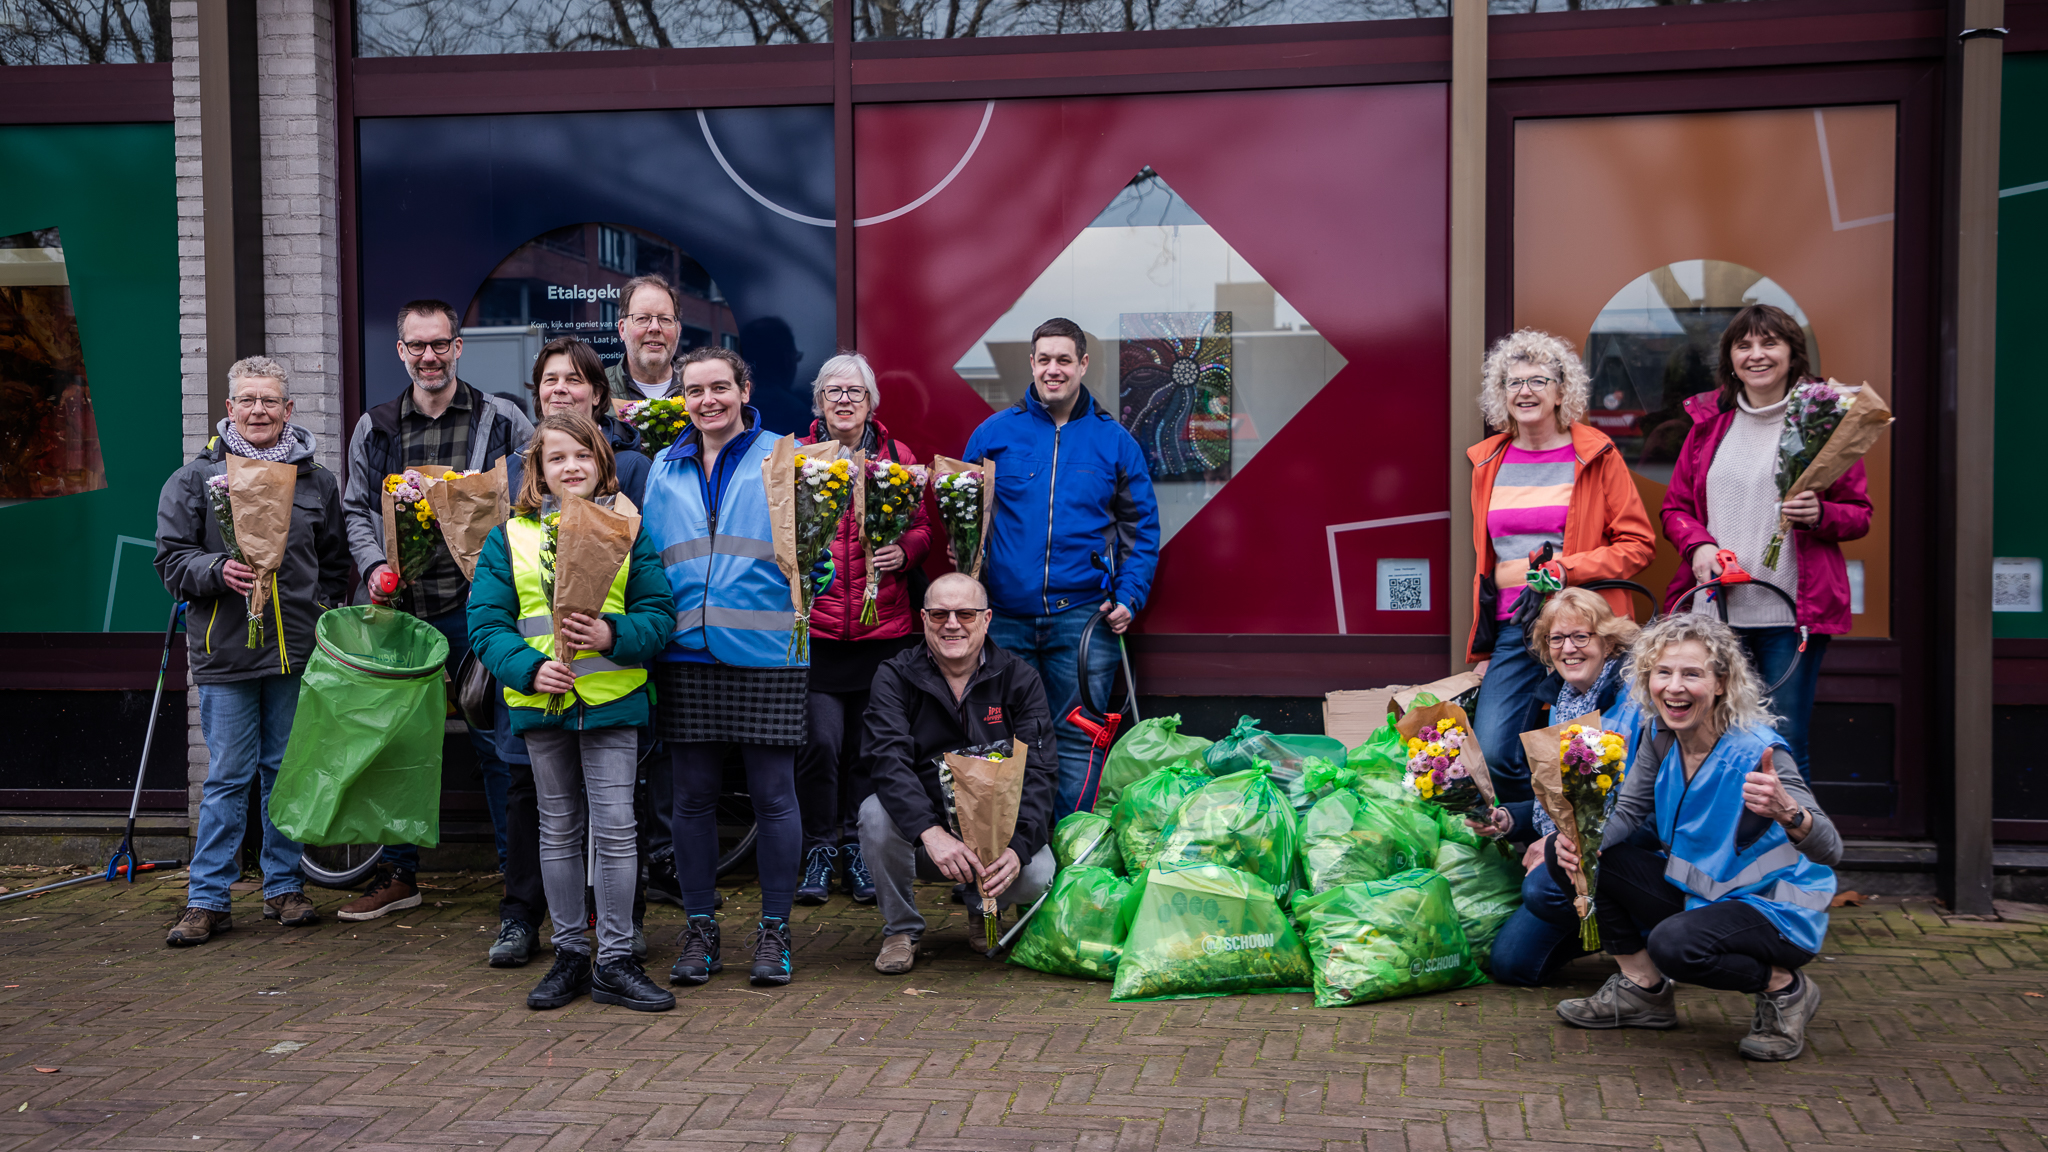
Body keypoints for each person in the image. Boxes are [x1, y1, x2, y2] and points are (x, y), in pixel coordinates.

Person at [1547, 613, 1840, 1061]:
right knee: (1569, 851)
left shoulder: (1757, 751)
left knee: (1674, 944)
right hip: (1705, 896)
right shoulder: (1661, 735)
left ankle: (1786, 990)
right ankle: (1641, 991)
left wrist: (1789, 812)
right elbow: (1629, 810)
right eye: (1662, 672)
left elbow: (1831, 849)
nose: (1674, 686)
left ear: (1721, 682)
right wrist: (1585, 840)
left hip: (1778, 913)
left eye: (1692, 674)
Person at [468, 412, 677, 1012]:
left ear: (602, 463)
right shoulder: (509, 537)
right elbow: (487, 623)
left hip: (612, 704)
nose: (571, 467)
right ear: (538, 469)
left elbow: (659, 614)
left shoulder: (628, 530)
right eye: (557, 458)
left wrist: (614, 635)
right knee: (557, 829)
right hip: (542, 702)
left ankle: (614, 959)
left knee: (616, 831)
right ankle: (568, 954)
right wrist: (529, 669)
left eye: (582, 456)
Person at [340, 299, 533, 921]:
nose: (429, 355)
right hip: (405, 611)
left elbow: (536, 495)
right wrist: (373, 568)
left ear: (458, 347)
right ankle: (402, 873)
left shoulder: (501, 419)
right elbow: (354, 509)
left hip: (485, 613)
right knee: (402, 746)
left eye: (440, 344)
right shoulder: (377, 427)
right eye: (416, 346)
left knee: (499, 746)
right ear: (401, 351)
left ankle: (517, 878)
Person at [155, 357, 350, 945]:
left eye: (270, 401)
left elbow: (336, 562)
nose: (259, 410)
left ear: (288, 409)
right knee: (228, 777)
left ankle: (284, 887)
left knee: (285, 774)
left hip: (294, 652)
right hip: (227, 653)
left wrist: (318, 611)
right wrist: (218, 570)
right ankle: (207, 897)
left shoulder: (316, 482)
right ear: (229, 409)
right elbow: (169, 559)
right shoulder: (194, 481)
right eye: (248, 401)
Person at [642, 346, 807, 988]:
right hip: (685, 648)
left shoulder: (783, 458)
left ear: (744, 388)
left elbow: (810, 544)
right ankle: (700, 927)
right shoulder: (663, 465)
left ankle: (774, 932)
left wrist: (815, 570)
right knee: (690, 800)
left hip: (768, 649)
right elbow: (653, 555)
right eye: (694, 391)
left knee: (773, 797)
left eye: (719, 388)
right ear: (681, 398)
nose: (707, 401)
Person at [1660, 304, 1871, 781]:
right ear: (1731, 359)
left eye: (1769, 343)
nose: (1757, 354)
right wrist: (1699, 548)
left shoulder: (1823, 424)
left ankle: (1792, 852)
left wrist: (1821, 514)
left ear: (1792, 354)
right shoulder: (1709, 425)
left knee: (1780, 743)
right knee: (1706, 737)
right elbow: (1675, 509)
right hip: (1717, 615)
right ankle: (1717, 850)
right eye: (1744, 345)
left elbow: (1859, 516)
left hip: (1789, 616)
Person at [961, 317, 1159, 816]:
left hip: (1084, 620)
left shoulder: (1115, 442)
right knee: (1000, 741)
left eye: (1064, 360)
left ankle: (1071, 857)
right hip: (1002, 618)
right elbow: (962, 520)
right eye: (1044, 359)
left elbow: (1141, 529)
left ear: (1082, 365)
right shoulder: (993, 435)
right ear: (1031, 363)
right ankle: (1009, 857)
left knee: (1077, 737)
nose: (1054, 369)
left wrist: (1130, 596)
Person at [1466, 329, 1654, 804]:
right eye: (1512, 382)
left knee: (1587, 756)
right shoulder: (1488, 461)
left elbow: (1637, 544)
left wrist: (1569, 569)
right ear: (1500, 393)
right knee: (1492, 750)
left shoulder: (1596, 454)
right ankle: (1532, 836)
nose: (1524, 391)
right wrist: (1484, 647)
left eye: (1538, 380)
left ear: (1561, 391)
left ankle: (1573, 857)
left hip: (1582, 626)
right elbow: (1487, 564)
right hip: (1516, 626)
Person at [856, 573, 1059, 975]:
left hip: (995, 835)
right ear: (923, 618)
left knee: (1036, 877)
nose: (952, 623)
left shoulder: (1019, 678)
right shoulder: (895, 676)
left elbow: (1041, 770)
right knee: (874, 814)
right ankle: (901, 929)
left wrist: (1018, 848)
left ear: (986, 620)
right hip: (927, 839)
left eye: (965, 613)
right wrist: (930, 832)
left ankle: (983, 910)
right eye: (939, 614)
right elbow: (887, 760)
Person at [793, 353, 932, 906]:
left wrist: (907, 549)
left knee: (870, 749)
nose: (844, 400)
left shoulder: (899, 458)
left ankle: (858, 845)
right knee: (820, 746)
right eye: (833, 391)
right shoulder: (799, 458)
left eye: (855, 391)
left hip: (884, 634)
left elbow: (922, 527)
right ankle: (819, 846)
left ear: (872, 402)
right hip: (821, 634)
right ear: (819, 404)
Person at [1471, 587, 1641, 986]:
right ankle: (1604, 931)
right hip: (1573, 854)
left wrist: (1551, 846)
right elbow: (1558, 798)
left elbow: (1630, 810)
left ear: (1608, 641)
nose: (1570, 649)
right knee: (1511, 965)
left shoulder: (1629, 705)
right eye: (1558, 639)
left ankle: (1642, 933)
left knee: (1542, 889)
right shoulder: (1561, 700)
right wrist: (1508, 818)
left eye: (1582, 636)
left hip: (1623, 852)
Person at [605, 274, 683, 405]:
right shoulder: (597, 388)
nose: (655, 328)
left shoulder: (700, 388)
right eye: (642, 318)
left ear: (678, 330)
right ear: (622, 329)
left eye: (665, 319)